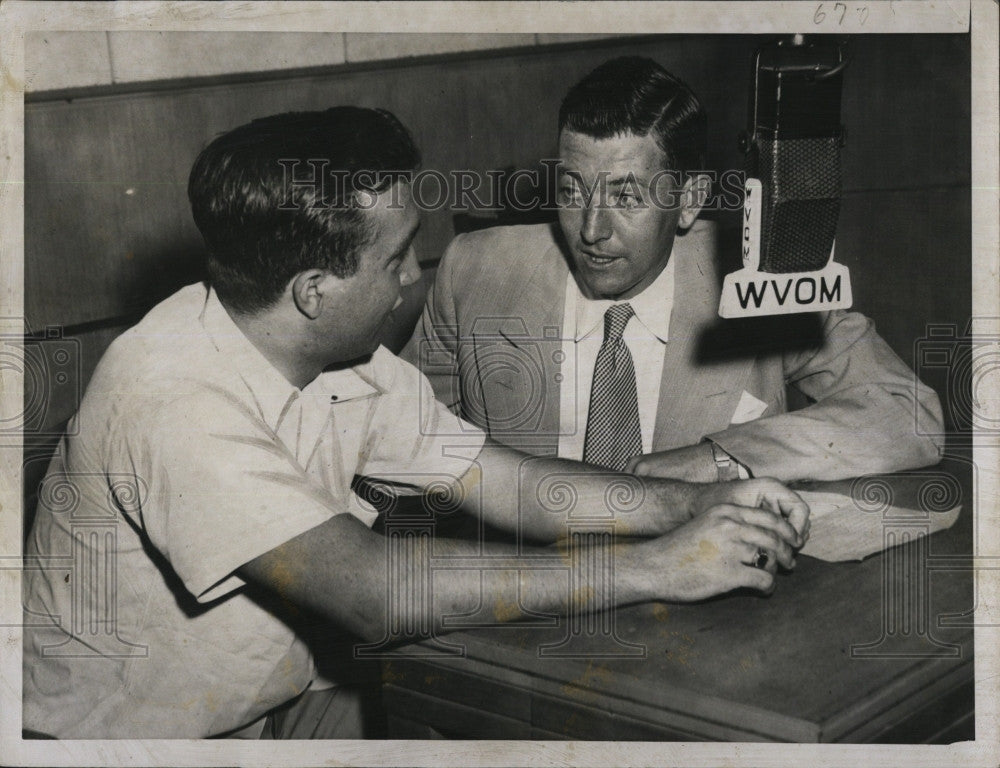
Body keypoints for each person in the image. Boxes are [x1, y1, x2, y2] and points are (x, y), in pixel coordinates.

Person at [22, 107, 809, 740]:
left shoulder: (344, 354)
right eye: (397, 258)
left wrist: (696, 505)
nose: (413, 279)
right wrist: (660, 567)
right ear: (313, 290)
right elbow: (376, 592)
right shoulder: (171, 399)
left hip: (280, 705)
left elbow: (512, 483)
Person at [402, 56, 945, 483]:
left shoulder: (759, 279)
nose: (591, 230)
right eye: (571, 190)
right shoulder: (474, 271)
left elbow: (909, 414)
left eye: (627, 196)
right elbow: (396, 442)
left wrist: (722, 460)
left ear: (689, 200)